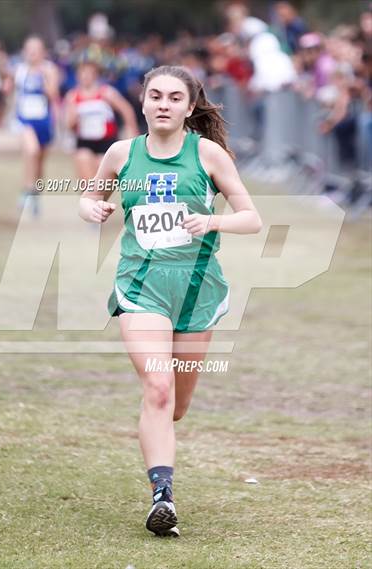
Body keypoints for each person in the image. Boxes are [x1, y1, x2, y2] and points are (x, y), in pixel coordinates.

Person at [79, 65, 262, 536]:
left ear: (189, 107)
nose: (164, 104)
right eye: (156, 95)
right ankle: (163, 495)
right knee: (157, 388)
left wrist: (213, 223)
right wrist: (94, 207)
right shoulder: (122, 153)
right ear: (142, 102)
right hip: (142, 287)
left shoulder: (209, 156)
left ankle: (159, 434)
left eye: (174, 98)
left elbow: (251, 218)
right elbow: (91, 197)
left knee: (175, 405)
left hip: (197, 290)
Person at [65, 56, 138, 181]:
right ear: (77, 75)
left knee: (101, 186)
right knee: (87, 184)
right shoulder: (73, 96)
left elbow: (127, 110)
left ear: (96, 75)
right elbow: (69, 125)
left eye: (89, 73)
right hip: (84, 141)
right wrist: (73, 119)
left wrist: (132, 133)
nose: (86, 76)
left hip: (106, 143)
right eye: (82, 73)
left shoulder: (107, 93)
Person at [14, 36, 60, 216]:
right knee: (31, 151)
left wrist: (44, 78)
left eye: (36, 49)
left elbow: (53, 94)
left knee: (39, 162)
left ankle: (35, 194)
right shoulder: (20, 70)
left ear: (42, 52)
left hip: (44, 122)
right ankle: (26, 190)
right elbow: (14, 92)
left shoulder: (49, 69)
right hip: (25, 120)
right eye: (29, 49)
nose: (32, 53)